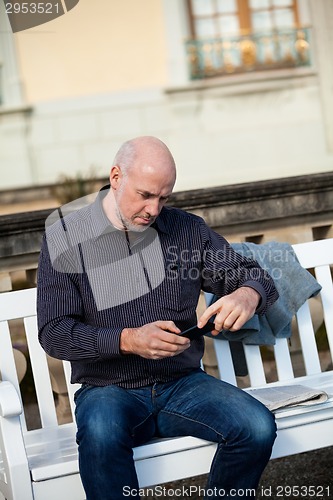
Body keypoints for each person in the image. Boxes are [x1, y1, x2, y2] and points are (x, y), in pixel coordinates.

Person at [37, 136, 279, 500]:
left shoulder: (186, 230)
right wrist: (128, 339)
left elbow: (251, 275)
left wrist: (247, 294)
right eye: (145, 195)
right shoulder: (66, 238)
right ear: (116, 177)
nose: (153, 209)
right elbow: (53, 333)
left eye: (164, 198)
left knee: (256, 426)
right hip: (108, 389)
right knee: (101, 437)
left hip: (183, 383)